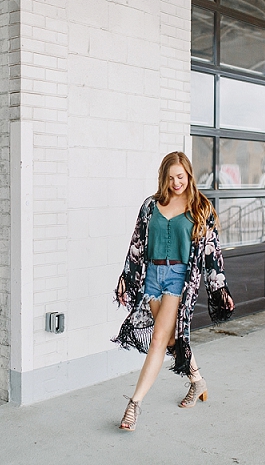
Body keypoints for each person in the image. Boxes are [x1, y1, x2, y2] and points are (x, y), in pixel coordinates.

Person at [113, 151, 234, 431]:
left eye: (180, 176)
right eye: (170, 178)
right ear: (163, 178)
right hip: (151, 278)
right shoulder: (150, 206)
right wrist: (125, 277)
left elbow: (212, 254)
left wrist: (220, 288)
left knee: (158, 340)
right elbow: (137, 244)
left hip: (178, 279)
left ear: (189, 175)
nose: (176, 182)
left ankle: (134, 405)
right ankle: (197, 381)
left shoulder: (200, 208)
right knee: (170, 341)